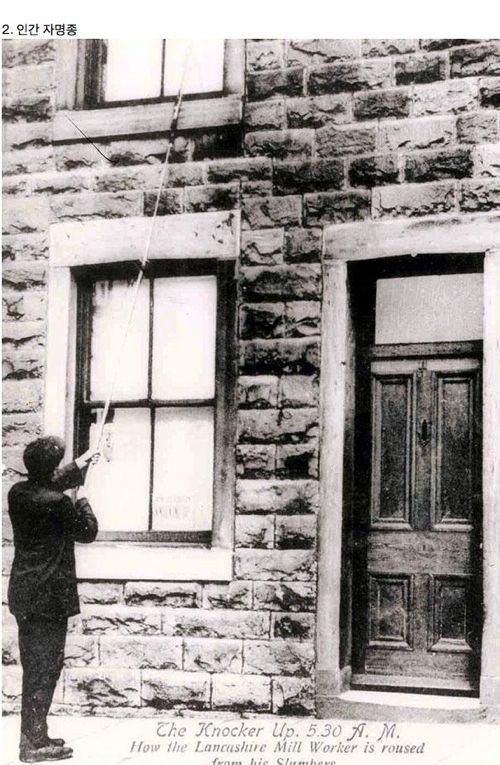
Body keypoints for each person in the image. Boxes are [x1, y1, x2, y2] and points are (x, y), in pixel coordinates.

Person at [7, 436, 100, 763]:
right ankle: (33, 745)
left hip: (24, 595)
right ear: (50, 469)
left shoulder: (17, 493)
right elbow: (87, 532)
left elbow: (47, 484)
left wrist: (81, 463)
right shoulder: (59, 504)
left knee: (34, 667)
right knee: (46, 668)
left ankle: (34, 734)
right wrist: (84, 499)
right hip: (49, 599)